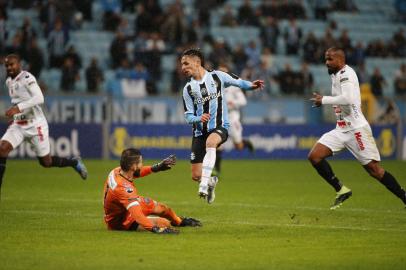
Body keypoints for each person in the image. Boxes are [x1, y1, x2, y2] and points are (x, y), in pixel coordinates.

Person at [309, 47, 406, 209]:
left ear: (341, 60)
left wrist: (324, 100)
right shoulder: (336, 75)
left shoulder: (346, 74)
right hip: (341, 129)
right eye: (326, 59)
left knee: (374, 170)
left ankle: (404, 196)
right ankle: (341, 189)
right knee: (314, 156)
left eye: (330, 59)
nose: (327, 63)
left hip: (356, 130)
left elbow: (347, 99)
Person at [181, 48, 264, 204]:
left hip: (220, 126)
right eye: (181, 64)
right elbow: (188, 116)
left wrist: (251, 86)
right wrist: (198, 118)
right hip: (199, 133)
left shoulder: (217, 76)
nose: (183, 67)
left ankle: (204, 186)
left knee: (211, 143)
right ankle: (210, 182)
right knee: (195, 175)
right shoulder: (188, 89)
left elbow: (238, 82)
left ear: (197, 62)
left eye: (186, 63)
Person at [0, 54, 88, 200]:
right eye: (7, 66)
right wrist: (15, 113)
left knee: (46, 162)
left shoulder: (27, 78)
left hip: (36, 125)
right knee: (2, 149)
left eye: (12, 64)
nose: (9, 68)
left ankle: (74, 162)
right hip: (19, 125)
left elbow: (39, 98)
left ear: (19, 64)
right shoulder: (9, 81)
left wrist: (18, 108)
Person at [103, 148, 201, 234]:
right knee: (164, 223)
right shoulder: (124, 189)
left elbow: (137, 173)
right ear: (133, 166)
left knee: (162, 208)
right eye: (140, 162)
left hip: (125, 207)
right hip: (120, 221)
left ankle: (179, 221)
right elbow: (137, 215)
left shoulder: (118, 171)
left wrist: (157, 167)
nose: (142, 165)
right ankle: (169, 223)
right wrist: (156, 229)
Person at [213, 65, 255, 176]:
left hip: (232, 118)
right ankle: (216, 170)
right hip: (219, 118)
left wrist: (233, 103)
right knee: (216, 143)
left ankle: (246, 143)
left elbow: (243, 101)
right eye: (220, 71)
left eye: (224, 72)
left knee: (238, 146)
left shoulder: (233, 86)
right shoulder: (213, 86)